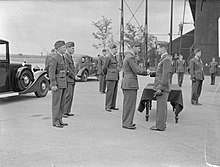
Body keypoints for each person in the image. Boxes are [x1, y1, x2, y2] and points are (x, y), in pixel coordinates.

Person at [121, 41, 147, 130]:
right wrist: (146, 72)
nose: (139, 50)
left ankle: (127, 122)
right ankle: (127, 123)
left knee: (127, 104)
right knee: (130, 104)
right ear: (134, 47)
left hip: (127, 82)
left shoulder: (127, 56)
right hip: (130, 83)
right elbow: (136, 70)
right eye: (138, 48)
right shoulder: (130, 57)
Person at [150, 41, 172, 131]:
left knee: (161, 107)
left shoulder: (166, 59)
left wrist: (160, 88)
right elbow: (160, 72)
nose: (157, 50)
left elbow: (165, 75)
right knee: (161, 107)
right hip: (161, 86)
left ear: (163, 48)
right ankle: (162, 124)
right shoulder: (164, 58)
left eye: (158, 48)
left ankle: (160, 126)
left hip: (162, 87)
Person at [49, 40, 68, 128]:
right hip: (57, 83)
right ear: (59, 48)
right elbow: (51, 72)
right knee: (56, 103)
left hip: (63, 82)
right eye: (64, 47)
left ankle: (60, 119)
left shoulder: (62, 57)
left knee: (62, 103)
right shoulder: (54, 58)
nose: (65, 49)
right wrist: (53, 84)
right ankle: (55, 120)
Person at [103, 44, 120, 112]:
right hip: (110, 76)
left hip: (115, 76)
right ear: (112, 49)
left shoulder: (114, 57)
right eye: (115, 49)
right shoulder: (108, 56)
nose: (117, 50)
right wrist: (107, 74)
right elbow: (104, 67)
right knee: (110, 92)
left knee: (114, 92)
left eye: (117, 49)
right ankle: (108, 106)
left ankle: (112, 105)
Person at [63, 41, 76, 117]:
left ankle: (67, 110)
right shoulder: (66, 57)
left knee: (70, 96)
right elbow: (67, 69)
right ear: (67, 48)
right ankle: (64, 112)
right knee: (67, 96)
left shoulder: (69, 56)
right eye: (72, 48)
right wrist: (74, 76)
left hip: (71, 79)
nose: (73, 50)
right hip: (68, 79)